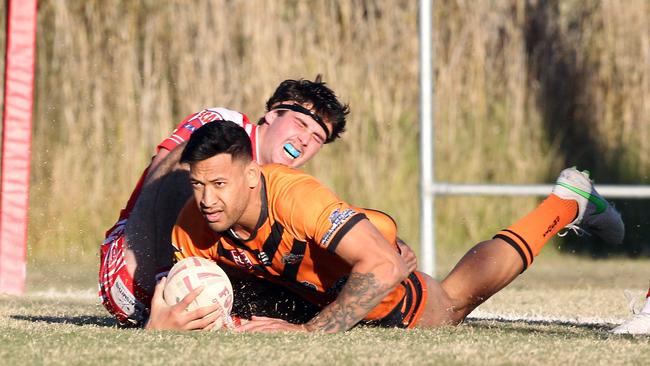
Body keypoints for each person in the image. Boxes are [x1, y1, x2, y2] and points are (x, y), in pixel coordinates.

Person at [145, 121, 625, 331]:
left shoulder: (294, 196)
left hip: (388, 292)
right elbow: (183, 290)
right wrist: (158, 322)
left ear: (251, 176)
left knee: (452, 303)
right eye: (197, 185)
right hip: (314, 286)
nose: (207, 200)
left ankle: (565, 203)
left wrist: (313, 334)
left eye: (219, 184)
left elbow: (381, 266)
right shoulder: (193, 224)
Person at [99, 77, 418, 326]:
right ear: (271, 115)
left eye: (318, 138)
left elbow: (323, 216)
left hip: (191, 290)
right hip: (132, 272)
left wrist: (377, 242)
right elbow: (163, 180)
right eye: (301, 124)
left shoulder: (276, 183)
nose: (306, 139)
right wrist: (160, 279)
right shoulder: (226, 126)